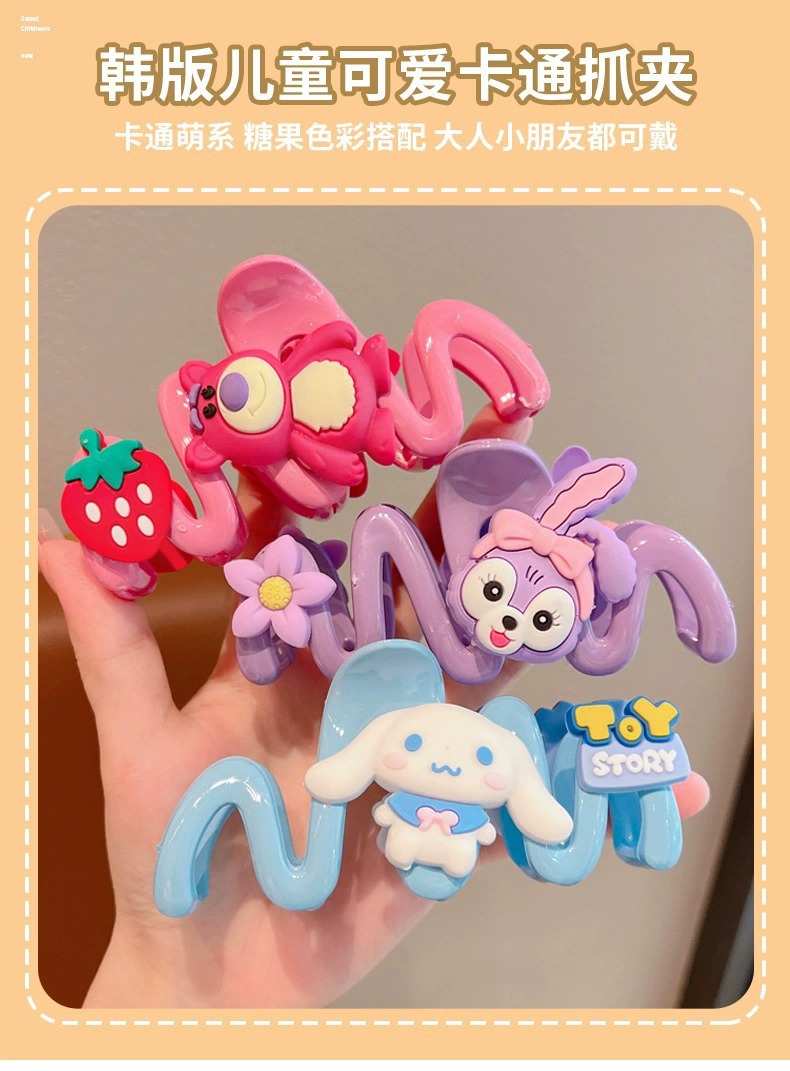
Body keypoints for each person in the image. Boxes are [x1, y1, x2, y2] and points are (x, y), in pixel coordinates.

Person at [38, 407, 709, 1008]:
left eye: (539, 617)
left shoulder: (491, 742)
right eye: (496, 591)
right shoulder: (362, 731)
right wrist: (166, 978)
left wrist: (176, 991)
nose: (506, 624)